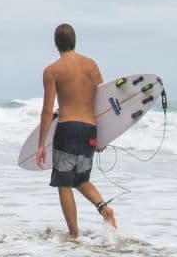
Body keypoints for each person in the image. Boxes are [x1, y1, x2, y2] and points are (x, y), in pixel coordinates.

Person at [33, 23, 118, 237]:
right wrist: (103, 137)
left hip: (68, 129)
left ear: (56, 44)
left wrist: (41, 144)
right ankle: (104, 209)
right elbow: (103, 101)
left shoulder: (53, 70)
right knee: (81, 179)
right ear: (74, 41)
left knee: (64, 182)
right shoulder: (91, 66)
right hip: (90, 129)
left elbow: (46, 111)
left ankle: (74, 235)